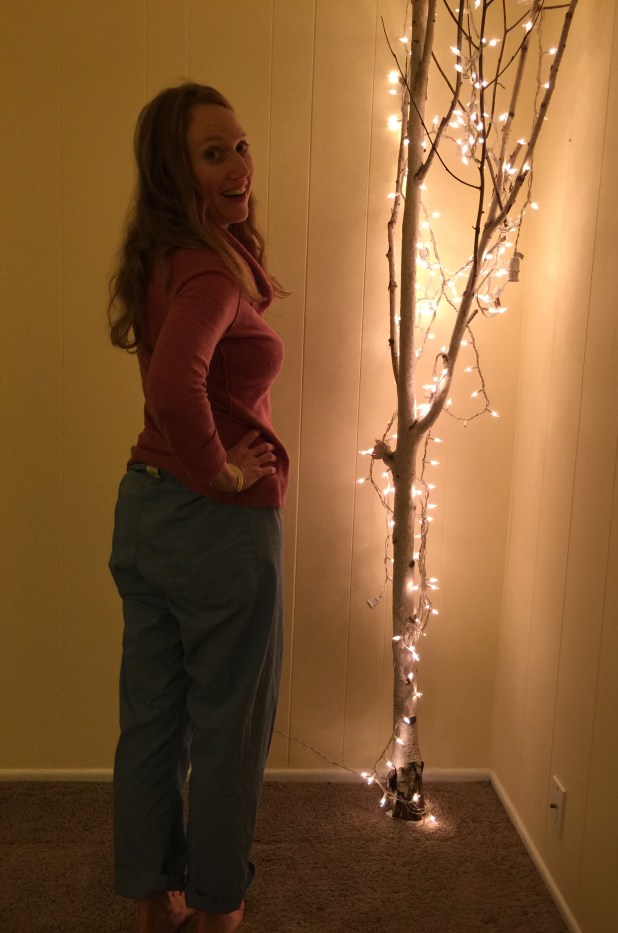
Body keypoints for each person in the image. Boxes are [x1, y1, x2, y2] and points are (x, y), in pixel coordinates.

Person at [107, 82, 288, 933]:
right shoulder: (212, 270)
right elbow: (176, 386)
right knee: (229, 727)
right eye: (213, 154)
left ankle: (156, 898)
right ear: (173, 174)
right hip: (215, 529)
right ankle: (217, 908)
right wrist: (223, 472)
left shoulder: (168, 255)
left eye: (240, 146)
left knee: (152, 720)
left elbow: (170, 384)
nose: (239, 165)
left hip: (145, 514)